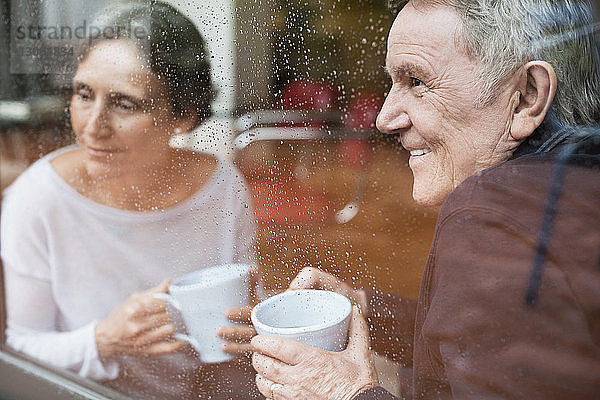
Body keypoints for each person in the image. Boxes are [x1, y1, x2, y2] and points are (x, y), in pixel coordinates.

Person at [250, 0, 600, 399]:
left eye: (416, 81)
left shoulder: (489, 215)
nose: (384, 118)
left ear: (525, 96)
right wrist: (364, 310)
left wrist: (344, 392)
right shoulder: (570, 183)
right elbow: (504, 337)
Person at [1, 2, 260, 399]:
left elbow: (236, 319)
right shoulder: (37, 201)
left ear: (184, 116)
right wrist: (105, 340)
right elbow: (21, 349)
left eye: (125, 104)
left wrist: (254, 322)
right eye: (83, 94)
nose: (92, 126)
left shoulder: (223, 188)